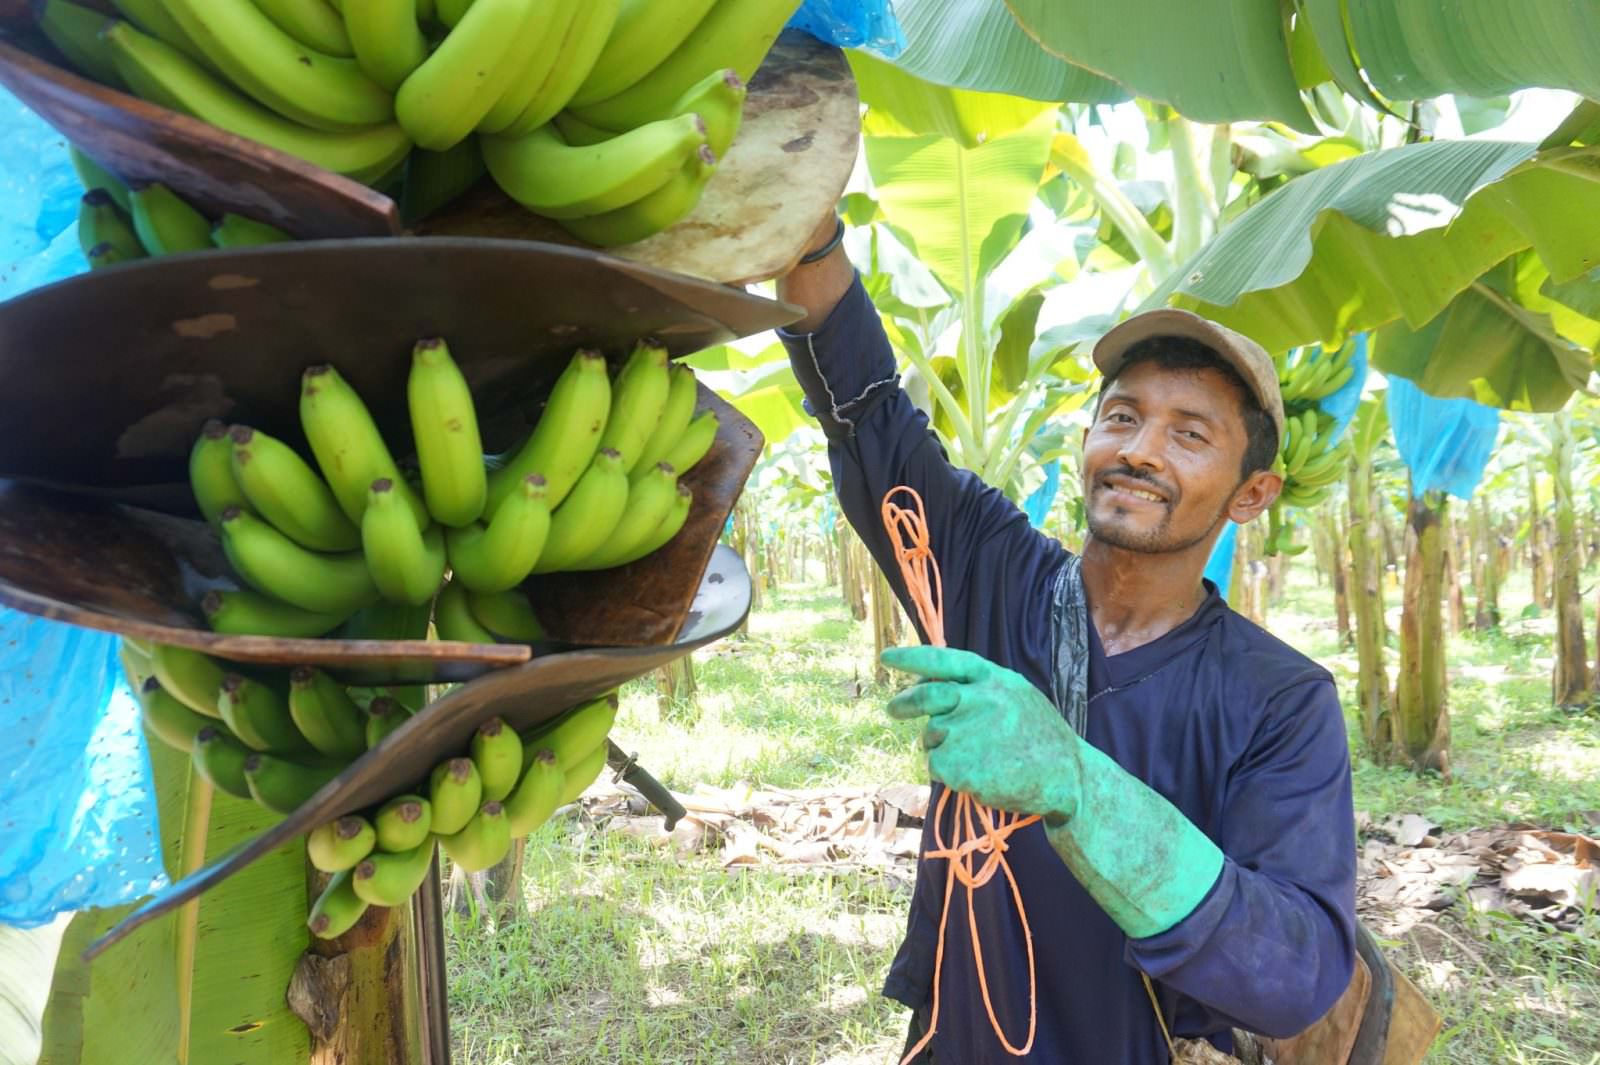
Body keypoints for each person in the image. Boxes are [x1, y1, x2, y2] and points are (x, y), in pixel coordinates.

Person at [775, 214, 1357, 1063]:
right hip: (960, 1039)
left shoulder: (1280, 699)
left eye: (1190, 434)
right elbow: (864, 408)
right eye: (1121, 417)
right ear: (1087, 441)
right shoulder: (986, 565)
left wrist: (1077, 784)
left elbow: (1296, 973)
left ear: (1251, 493)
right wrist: (810, 228)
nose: (1141, 450)